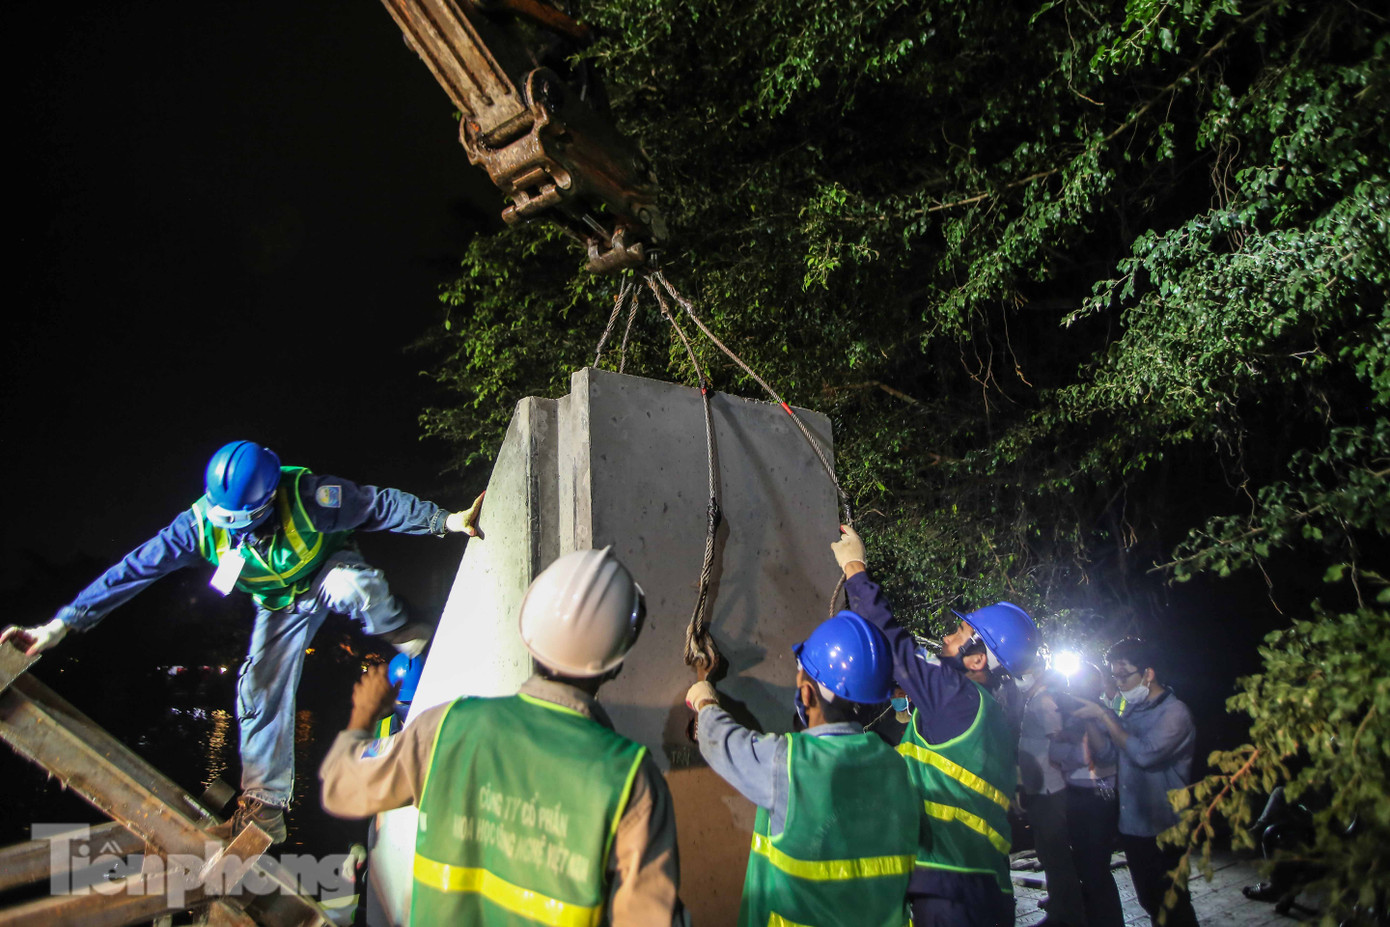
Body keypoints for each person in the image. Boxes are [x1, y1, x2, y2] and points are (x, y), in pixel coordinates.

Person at [0, 440, 483, 843]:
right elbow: (132, 571)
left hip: (328, 573)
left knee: (352, 587)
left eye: (245, 522)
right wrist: (59, 626)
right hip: (280, 606)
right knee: (257, 687)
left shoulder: (311, 495)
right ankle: (267, 807)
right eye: (226, 522)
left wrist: (446, 521)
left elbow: (378, 505)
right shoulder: (196, 527)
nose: (236, 534)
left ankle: (401, 632)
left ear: (270, 499)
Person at [319, 547, 685, 926]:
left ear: (529, 632)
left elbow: (342, 787)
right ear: (615, 663)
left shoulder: (448, 728)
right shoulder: (632, 781)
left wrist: (363, 714)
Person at [831, 526, 1036, 927]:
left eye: (959, 633)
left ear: (978, 660)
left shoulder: (956, 695)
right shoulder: (991, 712)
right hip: (986, 887)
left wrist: (855, 568)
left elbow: (897, 648)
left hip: (950, 891)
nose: (946, 635)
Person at [686, 610, 918, 927]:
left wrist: (704, 699)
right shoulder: (897, 767)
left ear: (806, 693)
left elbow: (722, 743)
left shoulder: (789, 763)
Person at [1070, 638, 1199, 927]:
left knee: (1173, 904)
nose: (1117, 684)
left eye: (1123, 675)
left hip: (1166, 826)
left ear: (1148, 674)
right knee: (1152, 901)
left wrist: (1104, 714)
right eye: (1113, 677)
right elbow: (1106, 754)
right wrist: (1091, 718)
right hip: (1133, 825)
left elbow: (1144, 755)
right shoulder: (1131, 709)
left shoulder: (1175, 713)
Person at [1050, 661, 1124, 927]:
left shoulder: (1107, 717)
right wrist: (1069, 740)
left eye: (1085, 683)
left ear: (1097, 685)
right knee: (1084, 867)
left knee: (1096, 871)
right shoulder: (1069, 718)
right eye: (1074, 684)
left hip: (1099, 798)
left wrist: (1090, 723)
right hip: (1074, 796)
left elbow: (1105, 755)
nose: (1077, 689)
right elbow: (1056, 755)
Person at [1018, 667, 1089, 926]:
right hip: (1039, 788)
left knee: (1055, 851)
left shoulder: (1045, 702)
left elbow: (1058, 742)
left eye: (1025, 671)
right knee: (1046, 850)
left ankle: (1067, 912)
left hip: (1050, 788)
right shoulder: (1034, 700)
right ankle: (1058, 899)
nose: (1019, 676)